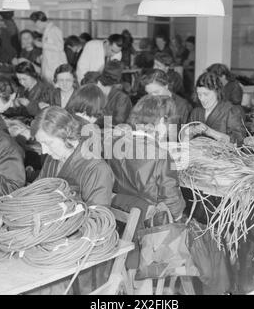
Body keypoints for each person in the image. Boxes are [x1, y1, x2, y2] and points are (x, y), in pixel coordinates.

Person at [106, 94, 185, 274]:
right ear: (160, 122)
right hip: (150, 232)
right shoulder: (160, 155)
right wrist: (181, 215)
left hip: (120, 222)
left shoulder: (113, 143)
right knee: (200, 233)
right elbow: (172, 204)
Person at [32, 106, 114, 207]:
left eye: (48, 143)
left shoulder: (97, 169)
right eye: (40, 144)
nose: (44, 151)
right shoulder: (52, 159)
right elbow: (35, 191)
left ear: (66, 135)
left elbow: (98, 218)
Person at [187, 71, 246, 145]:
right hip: (197, 155)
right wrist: (191, 131)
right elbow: (183, 139)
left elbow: (239, 142)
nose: (201, 98)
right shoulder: (196, 112)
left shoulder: (231, 111)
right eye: (199, 94)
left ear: (217, 92)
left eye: (206, 94)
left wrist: (210, 132)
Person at [30, 11, 67, 83]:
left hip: (55, 65)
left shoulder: (54, 30)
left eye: (35, 23)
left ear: (39, 21)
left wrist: (42, 45)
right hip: (50, 65)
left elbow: (60, 47)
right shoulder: (48, 31)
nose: (36, 26)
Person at [95, 60, 132, 127]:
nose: (107, 79)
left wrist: (97, 119)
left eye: (110, 76)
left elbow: (119, 120)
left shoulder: (121, 97)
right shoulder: (94, 86)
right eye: (106, 75)